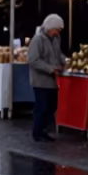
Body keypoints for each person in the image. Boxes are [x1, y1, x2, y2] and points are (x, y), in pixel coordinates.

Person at [28, 14, 66, 142]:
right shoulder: (37, 40)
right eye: (58, 29)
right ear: (51, 27)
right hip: (40, 81)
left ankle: (44, 130)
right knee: (42, 106)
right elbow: (33, 60)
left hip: (52, 81)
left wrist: (65, 61)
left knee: (52, 106)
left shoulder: (56, 38)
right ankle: (37, 132)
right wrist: (50, 69)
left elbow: (58, 53)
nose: (59, 31)